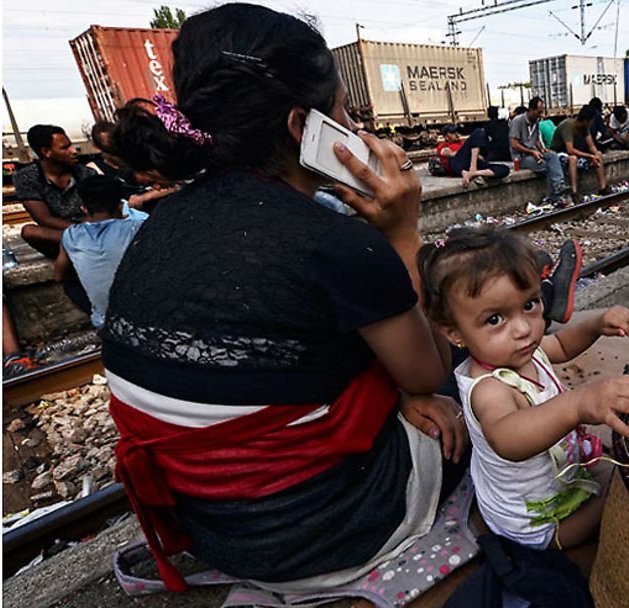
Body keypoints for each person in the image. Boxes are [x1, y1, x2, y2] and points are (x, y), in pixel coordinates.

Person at [103, 3, 466, 594]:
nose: (356, 128)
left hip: (212, 529)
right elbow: (427, 371)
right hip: (323, 535)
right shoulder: (335, 242)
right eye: (345, 112)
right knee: (471, 371)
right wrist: (401, 233)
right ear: (305, 130)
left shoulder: (160, 225)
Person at [418, 226, 629, 552]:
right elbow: (507, 438)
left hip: (559, 479)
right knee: (625, 495)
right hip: (536, 523)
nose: (524, 329)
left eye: (530, 304)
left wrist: (596, 324)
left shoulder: (520, 350)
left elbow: (560, 343)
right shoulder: (489, 389)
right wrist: (578, 404)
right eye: (495, 320)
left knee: (622, 475)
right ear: (455, 334)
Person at [53, 176, 146, 329]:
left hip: (107, 323)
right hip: (145, 316)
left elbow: (58, 276)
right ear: (120, 206)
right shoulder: (137, 228)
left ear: (84, 208)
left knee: (70, 284)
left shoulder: (71, 235)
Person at [12, 124, 96, 259]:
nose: (74, 151)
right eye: (65, 147)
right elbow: (44, 219)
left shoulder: (86, 174)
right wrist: (80, 231)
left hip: (90, 229)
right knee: (29, 232)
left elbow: (99, 209)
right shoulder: (27, 178)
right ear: (46, 152)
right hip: (63, 234)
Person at [510, 97, 568, 205]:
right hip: (521, 157)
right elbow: (514, 144)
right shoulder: (518, 121)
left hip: (533, 152)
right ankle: (554, 196)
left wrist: (541, 148)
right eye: (539, 112)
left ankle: (559, 185)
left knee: (553, 156)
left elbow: (536, 139)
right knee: (547, 165)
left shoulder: (535, 122)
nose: (541, 115)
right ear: (531, 110)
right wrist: (532, 152)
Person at [549, 105, 610, 200]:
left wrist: (595, 155)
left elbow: (591, 146)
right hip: (559, 155)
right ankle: (574, 192)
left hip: (575, 153)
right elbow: (570, 150)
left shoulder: (585, 128)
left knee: (598, 154)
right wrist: (590, 156)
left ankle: (603, 187)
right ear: (586, 120)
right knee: (573, 159)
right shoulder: (568, 125)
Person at [436, 125, 510, 187]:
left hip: (470, 164)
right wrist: (472, 152)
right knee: (477, 132)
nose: (456, 134)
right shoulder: (442, 146)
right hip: (458, 165)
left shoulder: (461, 142)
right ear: (446, 137)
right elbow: (449, 153)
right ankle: (473, 169)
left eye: (456, 132)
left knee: (505, 169)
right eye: (452, 133)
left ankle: (473, 173)